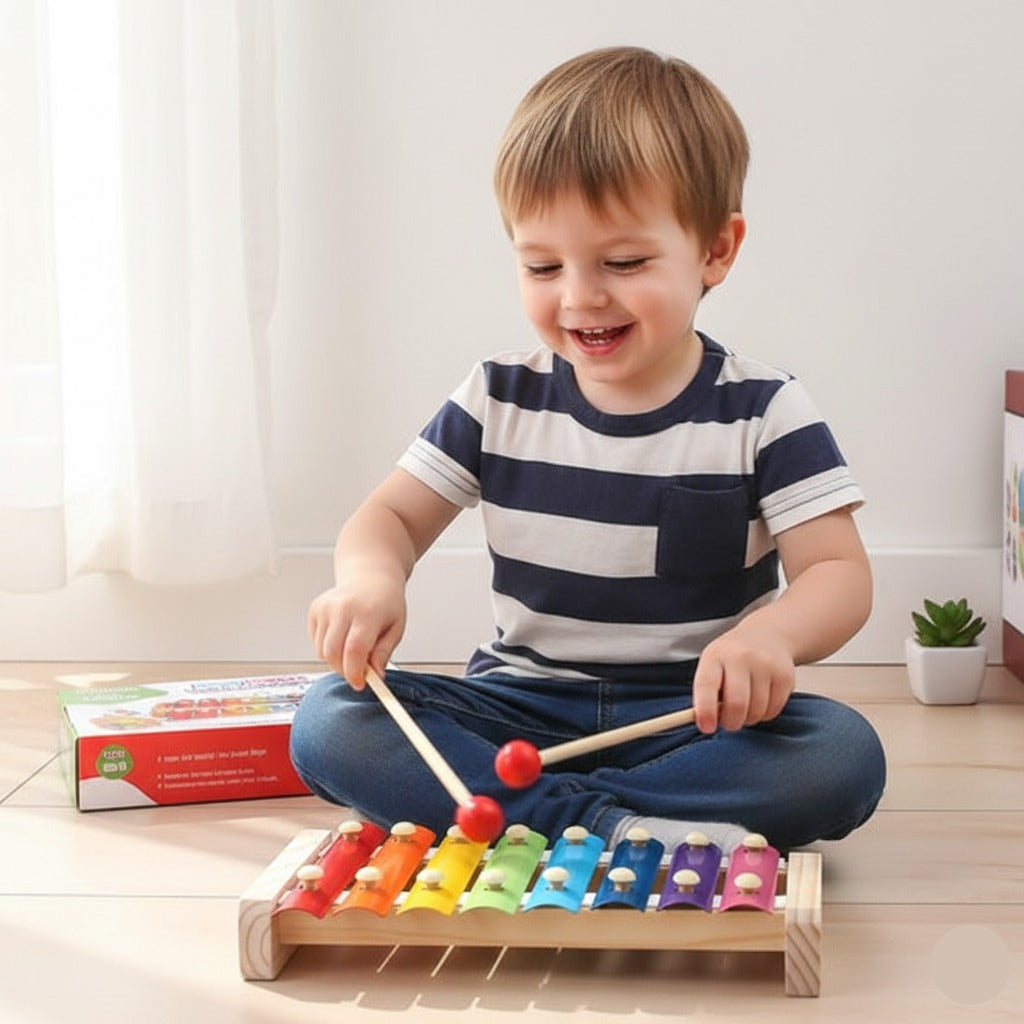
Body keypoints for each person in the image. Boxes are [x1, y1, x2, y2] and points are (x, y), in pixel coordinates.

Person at [291, 46, 886, 854]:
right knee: (331, 722)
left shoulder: (764, 409)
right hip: (518, 709)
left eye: (624, 262)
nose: (580, 296)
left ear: (716, 250)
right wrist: (368, 580)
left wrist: (770, 638)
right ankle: (622, 828)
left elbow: (837, 573)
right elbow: (391, 515)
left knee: (840, 757)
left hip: (693, 720)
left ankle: (533, 820)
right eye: (542, 265)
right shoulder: (498, 396)